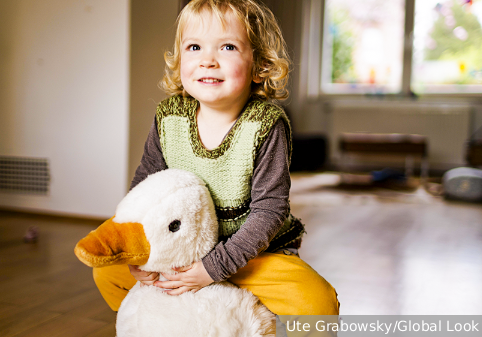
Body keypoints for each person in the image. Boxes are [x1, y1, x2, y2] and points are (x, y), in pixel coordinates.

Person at [93, 0, 339, 315]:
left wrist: (212, 268)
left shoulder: (265, 125)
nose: (208, 60)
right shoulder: (170, 117)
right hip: (181, 246)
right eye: (194, 47)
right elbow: (145, 188)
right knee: (107, 273)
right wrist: (140, 253)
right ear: (180, 59)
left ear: (260, 65)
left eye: (227, 47)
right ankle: (166, 319)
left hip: (251, 253)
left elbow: (269, 212)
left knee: (317, 303)